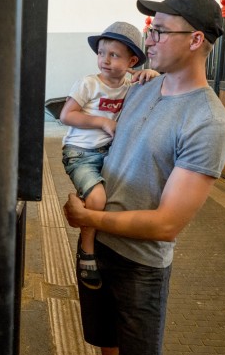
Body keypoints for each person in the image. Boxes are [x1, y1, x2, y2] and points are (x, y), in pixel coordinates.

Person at [63, 0, 225, 355]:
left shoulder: (207, 121)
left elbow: (167, 224)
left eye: (159, 31)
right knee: (106, 346)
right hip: (98, 249)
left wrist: (89, 219)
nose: (149, 39)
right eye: (150, 30)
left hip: (139, 266)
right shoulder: (139, 87)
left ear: (194, 40)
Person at [59, 21, 159, 290]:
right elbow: (66, 115)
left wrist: (149, 73)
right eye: (102, 53)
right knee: (98, 198)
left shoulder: (130, 84)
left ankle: (107, 242)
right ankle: (87, 252)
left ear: (132, 61)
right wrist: (102, 122)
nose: (104, 60)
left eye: (114, 55)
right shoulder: (88, 84)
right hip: (80, 153)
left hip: (110, 154)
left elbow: (152, 86)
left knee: (120, 196)